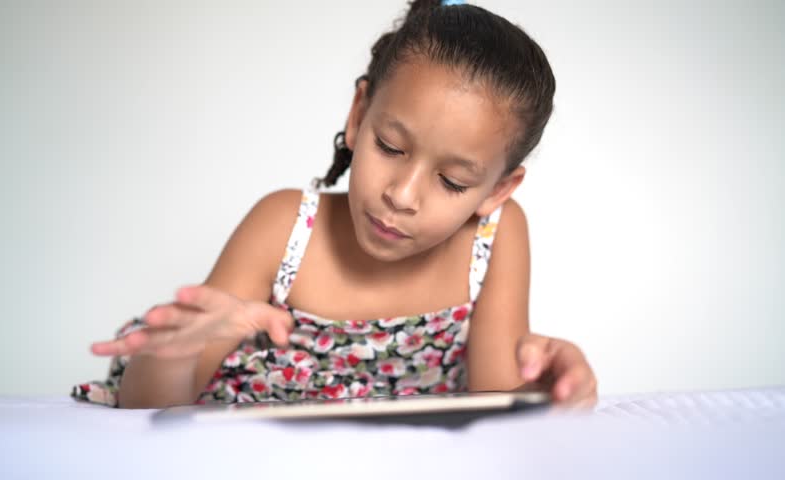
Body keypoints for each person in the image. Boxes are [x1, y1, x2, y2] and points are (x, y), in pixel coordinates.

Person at [73, 0, 597, 410]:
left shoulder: (496, 236)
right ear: (358, 114)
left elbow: (495, 408)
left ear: (498, 190)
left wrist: (543, 384)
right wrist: (178, 349)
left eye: (453, 181)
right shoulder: (284, 227)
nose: (402, 195)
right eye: (390, 148)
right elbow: (148, 407)